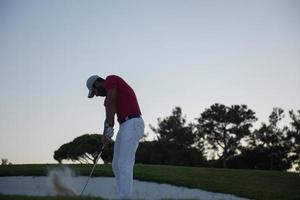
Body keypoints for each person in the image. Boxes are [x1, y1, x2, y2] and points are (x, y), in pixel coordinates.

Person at [86, 74, 145, 199]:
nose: (96, 95)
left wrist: (110, 127)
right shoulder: (107, 98)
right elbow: (108, 114)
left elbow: (111, 103)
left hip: (133, 122)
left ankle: (125, 197)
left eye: (94, 91)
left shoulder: (111, 79)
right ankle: (122, 195)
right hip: (125, 125)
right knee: (116, 165)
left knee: (124, 163)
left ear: (97, 83)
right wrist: (105, 133)